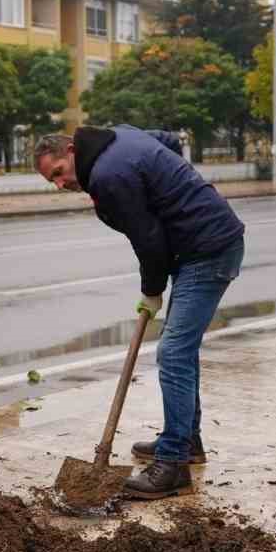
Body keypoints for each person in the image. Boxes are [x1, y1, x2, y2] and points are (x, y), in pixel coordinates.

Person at [33, 127, 246, 500]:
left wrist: (151, 291)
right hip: (201, 244)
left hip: (208, 249)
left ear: (71, 150)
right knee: (181, 350)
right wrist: (177, 187)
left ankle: (173, 466)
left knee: (173, 353)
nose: (60, 183)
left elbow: (147, 239)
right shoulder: (118, 135)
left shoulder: (106, 176)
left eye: (59, 172)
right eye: (52, 179)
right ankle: (186, 440)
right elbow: (168, 140)